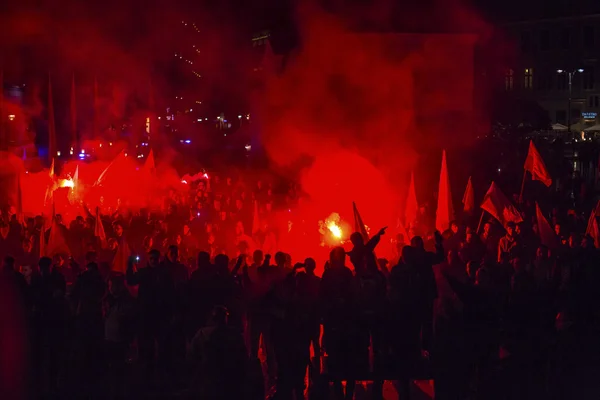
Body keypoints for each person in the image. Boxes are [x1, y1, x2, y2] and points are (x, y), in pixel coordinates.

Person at [188, 306, 248, 400]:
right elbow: (243, 358)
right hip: (229, 381)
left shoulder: (202, 333)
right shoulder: (234, 334)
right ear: (225, 318)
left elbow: (192, 355)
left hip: (209, 381)